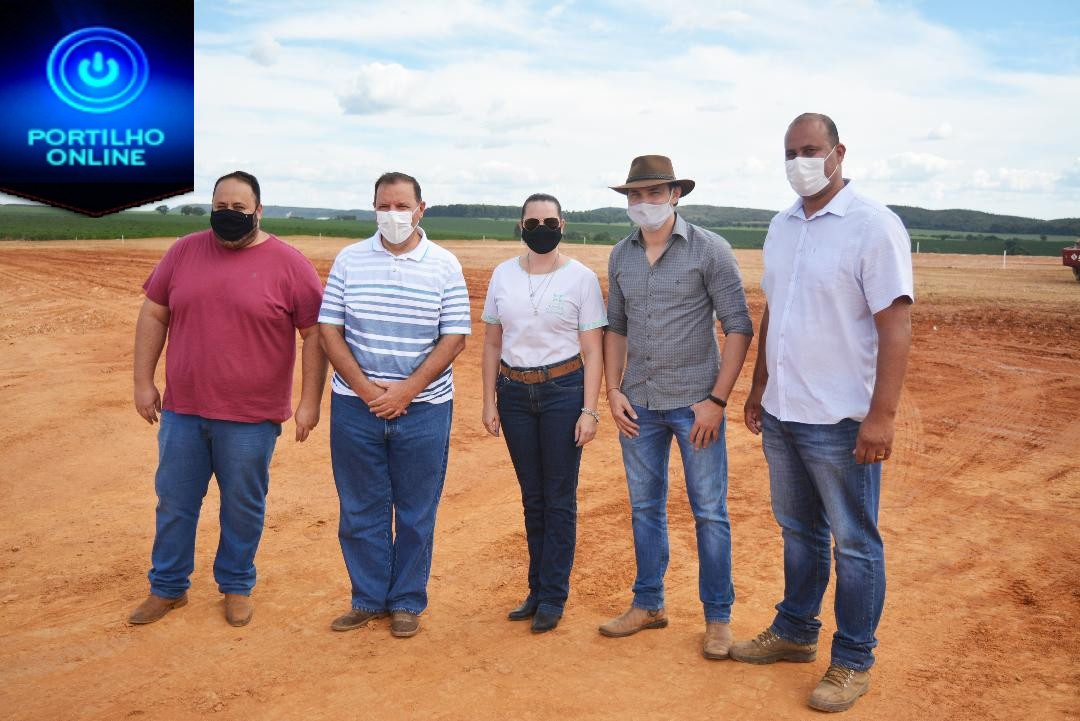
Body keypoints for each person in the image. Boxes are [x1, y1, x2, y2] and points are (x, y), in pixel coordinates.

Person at [729, 113, 913, 714]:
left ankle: (854, 659)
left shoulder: (873, 226)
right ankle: (795, 632)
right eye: (790, 152)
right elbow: (774, 315)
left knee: (855, 544)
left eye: (810, 150)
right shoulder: (782, 228)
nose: (799, 161)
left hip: (841, 421)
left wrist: (880, 416)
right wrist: (758, 389)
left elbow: (895, 326)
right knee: (799, 532)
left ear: (839, 152)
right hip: (783, 413)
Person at [128, 170, 328, 627]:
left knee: (242, 505)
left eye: (239, 208)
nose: (229, 215)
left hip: (250, 417)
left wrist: (309, 401)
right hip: (183, 409)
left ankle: (236, 586)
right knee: (175, 502)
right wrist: (143, 381)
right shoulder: (183, 251)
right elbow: (154, 314)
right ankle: (167, 587)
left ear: (259, 211)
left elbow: (315, 334)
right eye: (221, 207)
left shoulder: (289, 264)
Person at [601, 155, 753, 660]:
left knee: (709, 512)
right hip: (638, 404)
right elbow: (615, 328)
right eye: (634, 195)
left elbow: (738, 327)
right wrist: (613, 390)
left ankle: (718, 619)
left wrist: (716, 400)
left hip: (695, 406)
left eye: (652, 193)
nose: (643, 203)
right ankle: (649, 604)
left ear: (675, 195)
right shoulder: (620, 255)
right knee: (645, 508)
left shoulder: (710, 250)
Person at [319, 171, 471, 639]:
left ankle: (406, 600)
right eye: (384, 206)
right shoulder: (349, 260)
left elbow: (455, 337)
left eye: (402, 206)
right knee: (360, 508)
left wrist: (406, 390)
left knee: (416, 510)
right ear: (374, 209)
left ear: (420, 209)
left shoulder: (444, 264)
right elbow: (329, 330)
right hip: (355, 406)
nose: (393, 215)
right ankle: (367, 598)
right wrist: (367, 390)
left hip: (424, 408)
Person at [480, 193, 606, 633]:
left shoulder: (582, 279)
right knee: (532, 498)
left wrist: (590, 410)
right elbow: (493, 343)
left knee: (558, 497)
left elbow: (594, 350)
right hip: (514, 394)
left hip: (563, 392)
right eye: (532, 221)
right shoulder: (502, 275)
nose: (541, 228)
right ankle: (535, 589)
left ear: (563, 225)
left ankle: (554, 595)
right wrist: (488, 400)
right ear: (520, 225)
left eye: (548, 221)